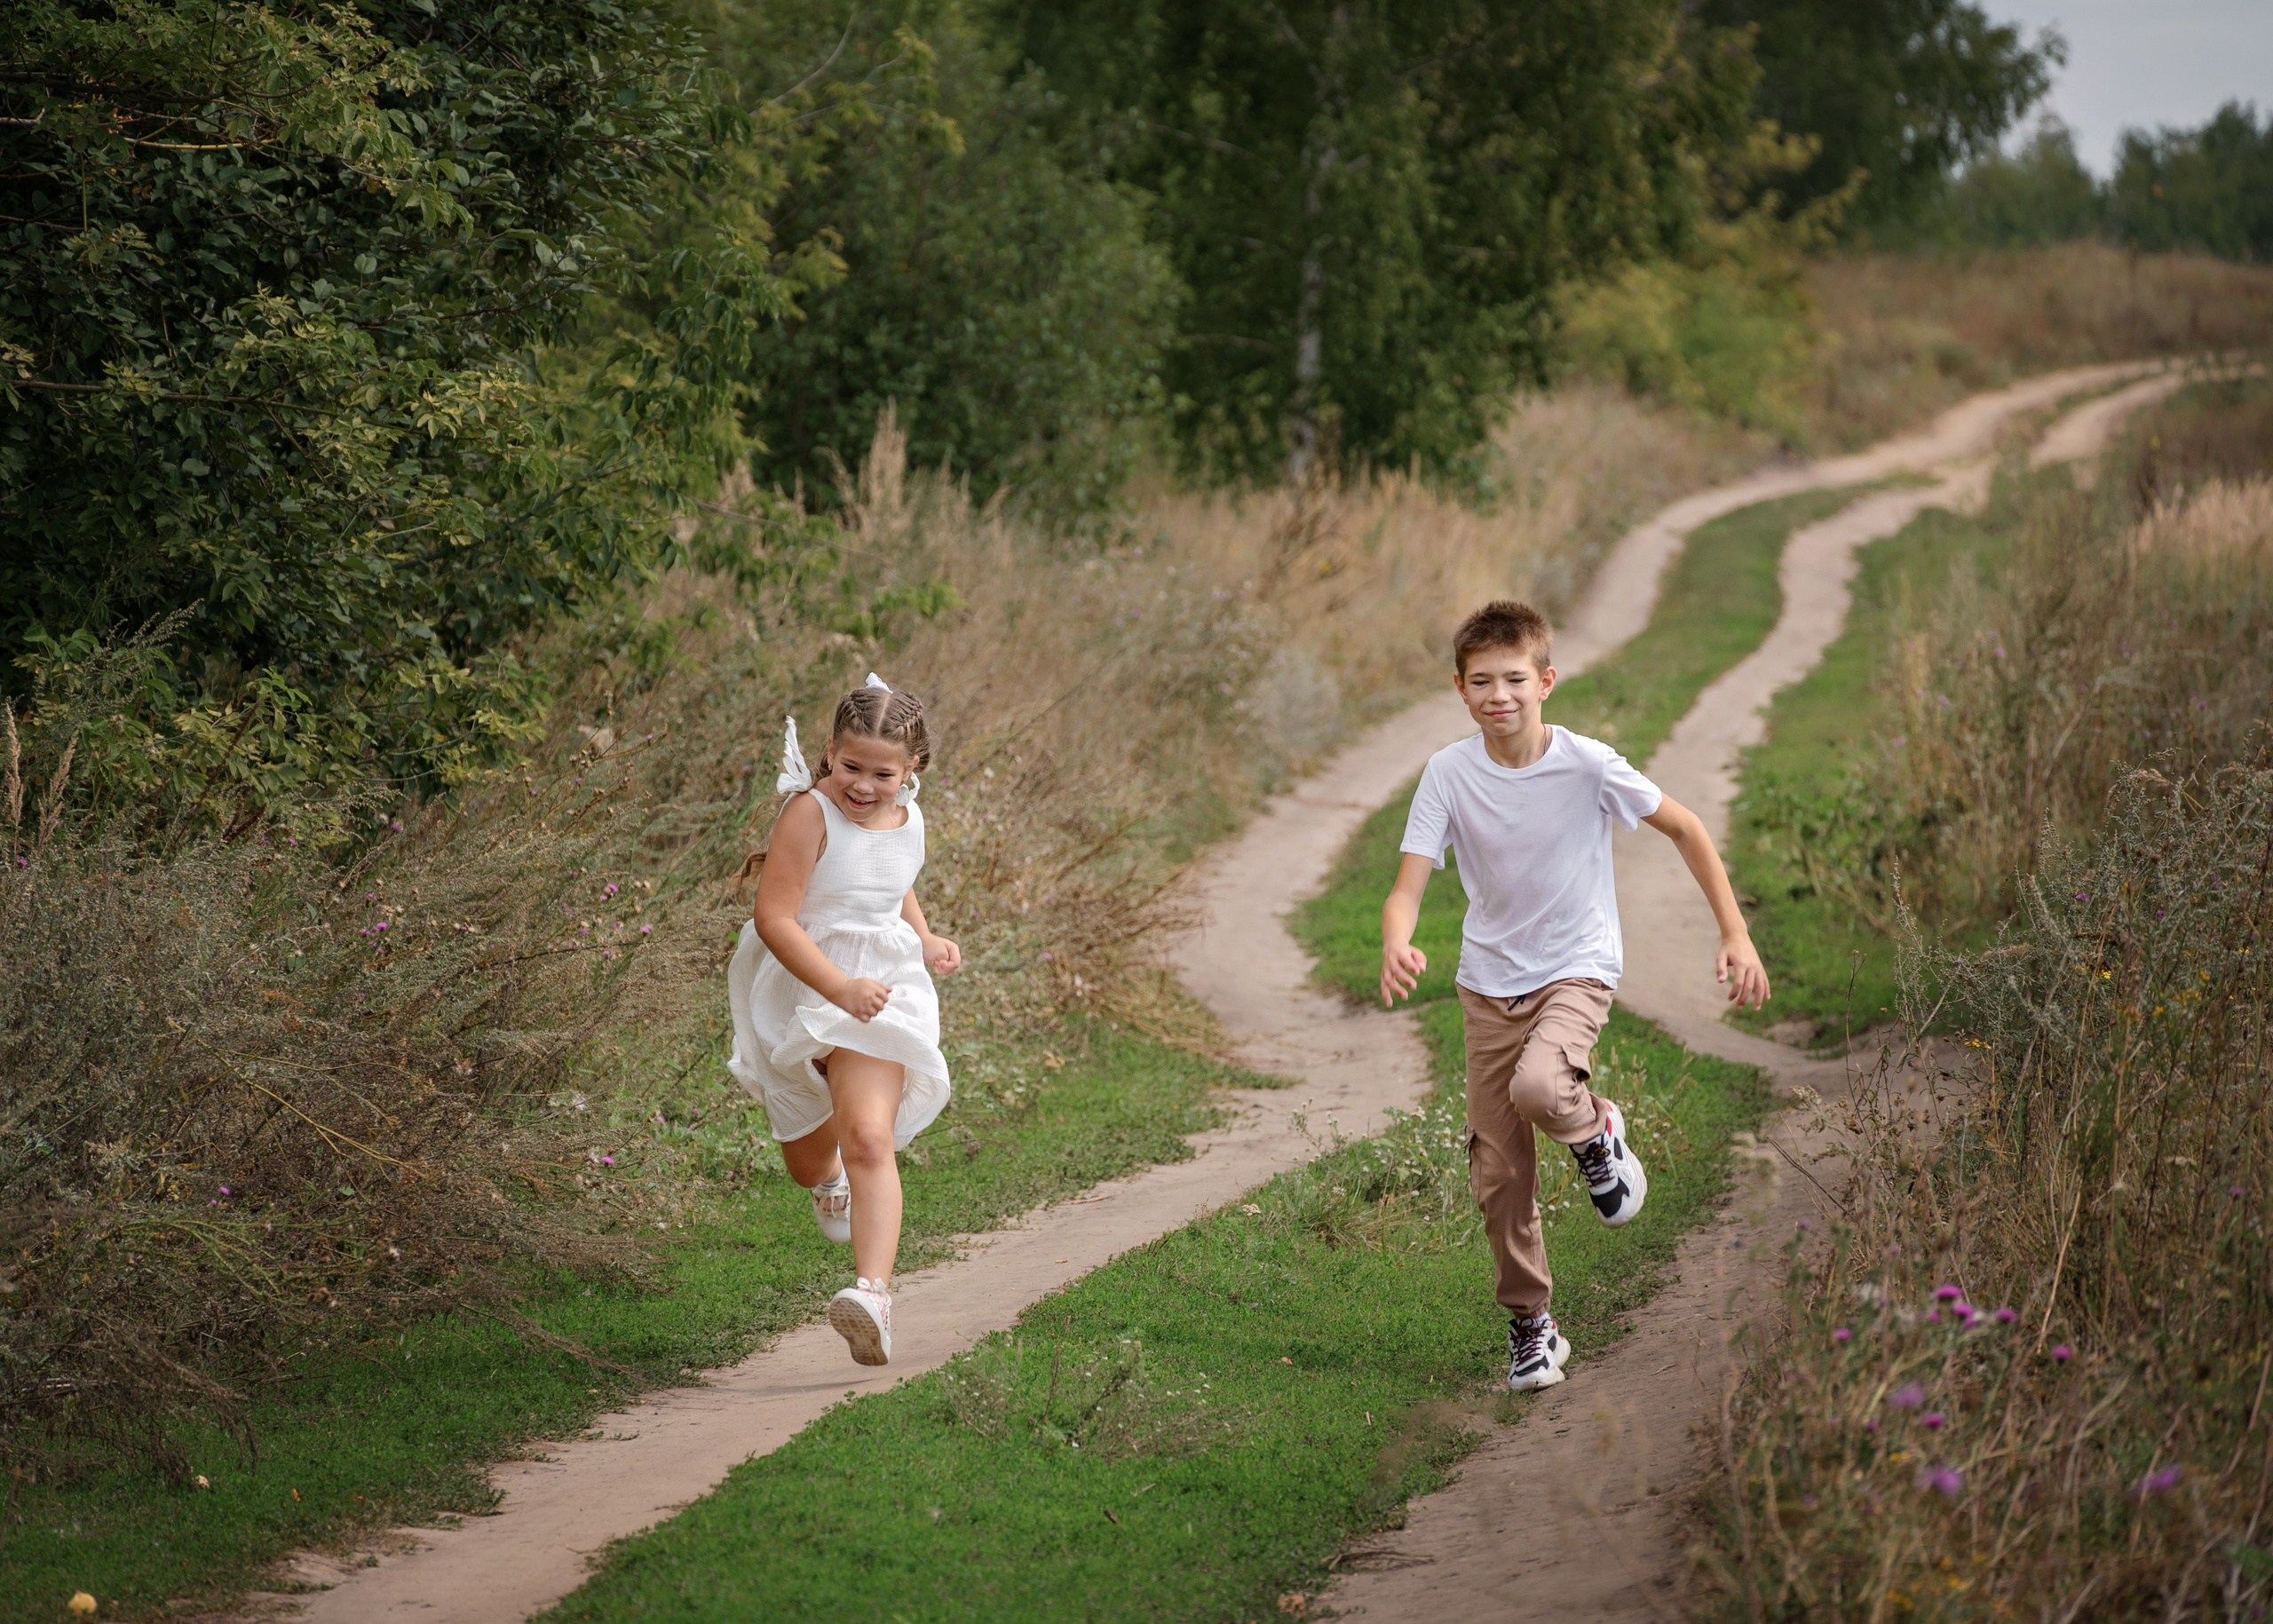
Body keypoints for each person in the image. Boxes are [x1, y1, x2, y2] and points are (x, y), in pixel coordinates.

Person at [1380, 601, 1770, 1390]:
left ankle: (1597, 1134)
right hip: (1487, 983)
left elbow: (1687, 828)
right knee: (1498, 1175)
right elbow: (1406, 887)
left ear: (1545, 681)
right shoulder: (1448, 774)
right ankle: (1534, 1327)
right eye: (1482, 681)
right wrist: (1397, 940)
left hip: (1575, 967)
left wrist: (1735, 932)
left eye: (1515, 679)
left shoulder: (1588, 764)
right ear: (1460, 688)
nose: (1500, 695)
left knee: (1540, 1087)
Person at [726, 675, 962, 1367]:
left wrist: (923, 937)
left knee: (867, 1136)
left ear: (912, 768)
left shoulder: (909, 817)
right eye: (850, 766)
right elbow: (774, 918)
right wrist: (837, 987)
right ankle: (827, 1186)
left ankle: (873, 1296)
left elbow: (893, 880)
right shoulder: (808, 814)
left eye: (882, 773)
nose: (863, 784)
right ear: (829, 751)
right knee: (808, 1160)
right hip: (804, 985)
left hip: (884, 993)